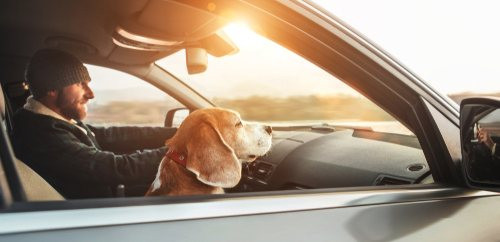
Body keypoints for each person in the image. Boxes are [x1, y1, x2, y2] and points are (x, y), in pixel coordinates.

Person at [11, 49, 177, 199]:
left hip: (107, 198)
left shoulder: (55, 119)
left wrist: (177, 132)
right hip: (99, 213)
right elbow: (118, 169)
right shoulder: (42, 135)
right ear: (52, 88)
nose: (91, 94)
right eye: (80, 84)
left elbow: (110, 136)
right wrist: (181, 152)